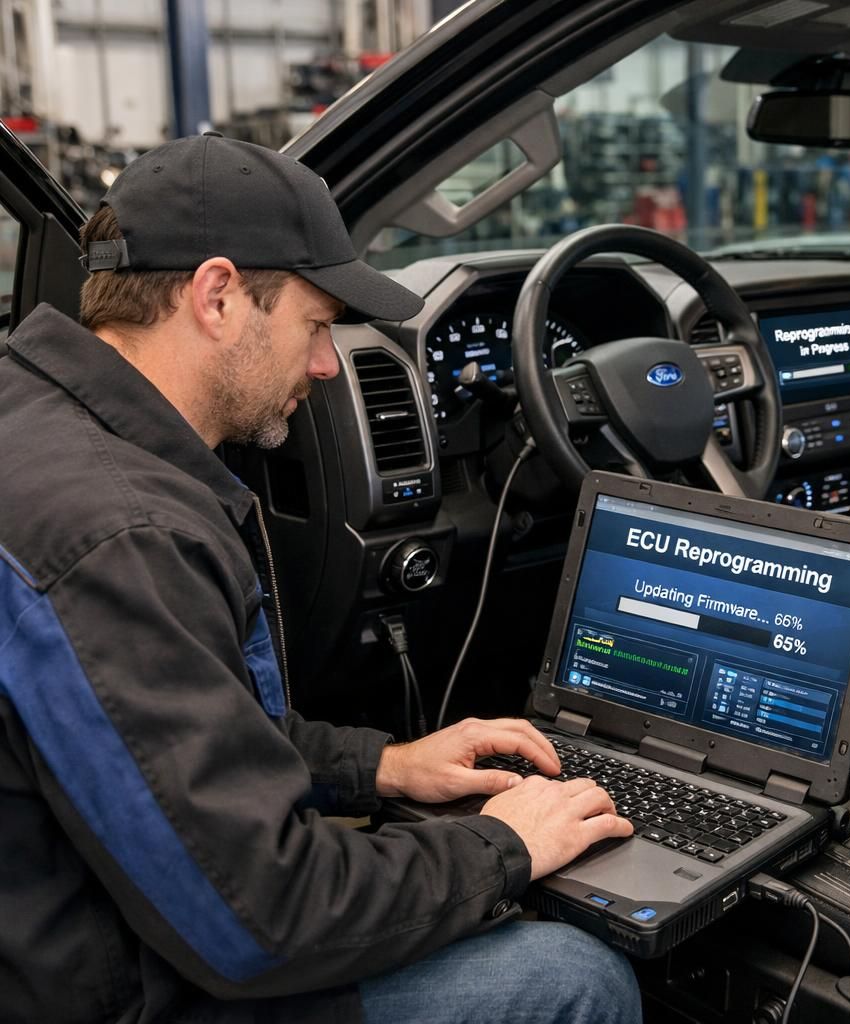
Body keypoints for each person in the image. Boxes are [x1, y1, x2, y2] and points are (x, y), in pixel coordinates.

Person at [0, 134, 639, 1023]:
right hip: (117, 989)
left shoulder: (33, 419)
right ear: (217, 295)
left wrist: (381, 766)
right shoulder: (120, 536)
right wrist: (502, 849)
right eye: (316, 323)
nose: (327, 364)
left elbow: (165, 740)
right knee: (573, 978)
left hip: (75, 923)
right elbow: (261, 915)